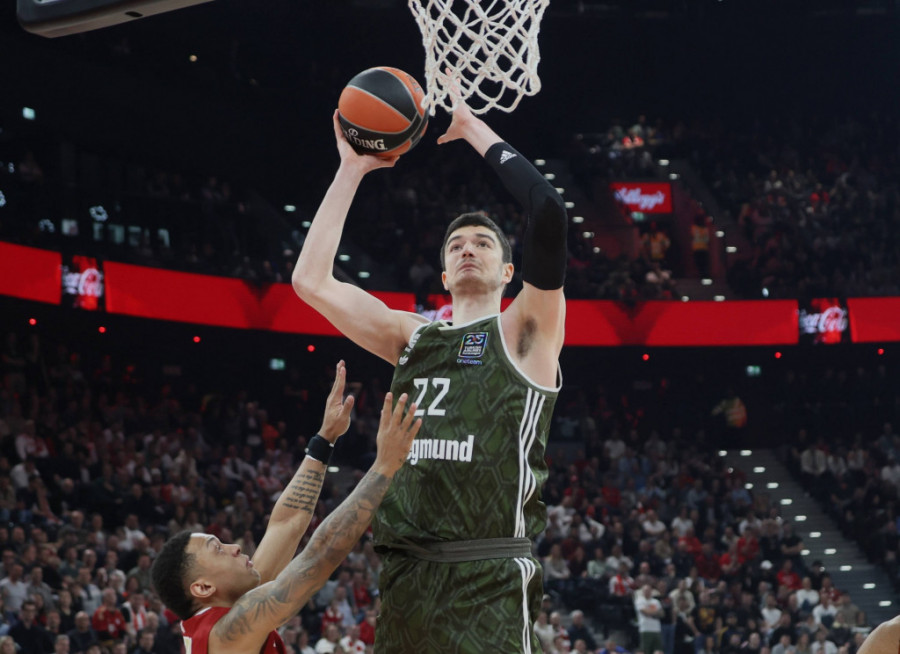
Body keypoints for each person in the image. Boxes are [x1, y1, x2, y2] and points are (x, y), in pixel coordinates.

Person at [292, 88, 567, 653]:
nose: (468, 249)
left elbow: (549, 212)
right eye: (456, 245)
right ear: (443, 274)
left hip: (488, 577)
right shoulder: (411, 336)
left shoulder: (525, 333)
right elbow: (310, 282)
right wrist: (351, 169)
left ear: (508, 272)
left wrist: (471, 129)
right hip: (406, 578)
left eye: (483, 243)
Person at [150, 362, 420, 654]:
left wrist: (325, 438)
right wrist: (384, 466)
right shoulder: (225, 634)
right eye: (218, 549)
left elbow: (287, 523)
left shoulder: (229, 610)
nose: (235, 547)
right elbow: (319, 557)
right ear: (203, 588)